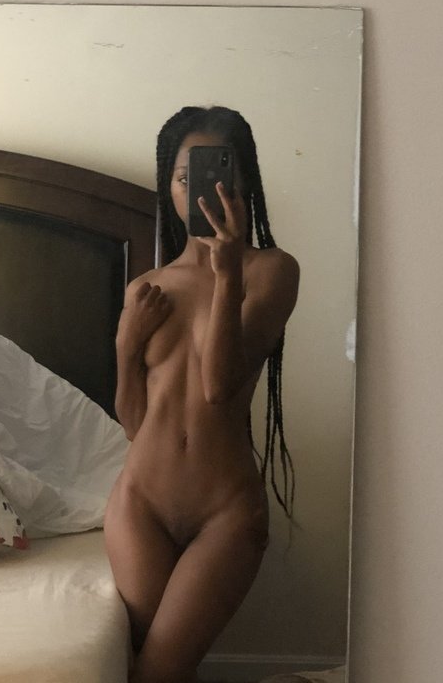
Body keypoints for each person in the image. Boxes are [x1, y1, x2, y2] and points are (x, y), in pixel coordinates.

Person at [104, 105, 299, 683]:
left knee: (158, 672)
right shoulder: (147, 288)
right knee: (155, 668)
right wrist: (125, 344)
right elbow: (134, 424)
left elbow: (219, 387)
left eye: (216, 172)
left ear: (243, 181)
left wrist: (228, 271)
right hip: (140, 504)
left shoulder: (273, 271)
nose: (199, 190)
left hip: (224, 512)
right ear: (168, 186)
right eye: (185, 177)